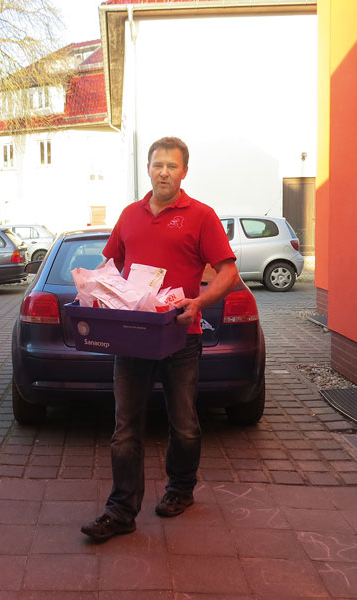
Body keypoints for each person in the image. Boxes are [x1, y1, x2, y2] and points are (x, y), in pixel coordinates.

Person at [81, 136, 239, 541]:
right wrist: (98, 291)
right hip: (133, 336)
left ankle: (180, 489)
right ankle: (121, 511)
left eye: (172, 166)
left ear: (184, 171)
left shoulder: (201, 215)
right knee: (125, 426)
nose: (163, 172)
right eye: (157, 165)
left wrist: (199, 301)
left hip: (179, 336)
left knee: (183, 424)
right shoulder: (130, 215)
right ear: (148, 169)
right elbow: (111, 264)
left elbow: (228, 273)